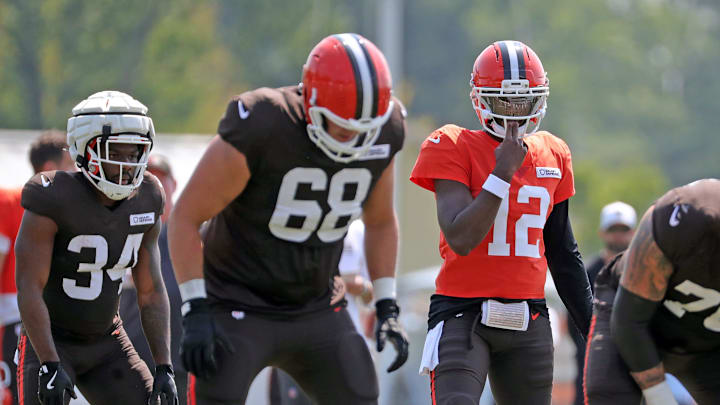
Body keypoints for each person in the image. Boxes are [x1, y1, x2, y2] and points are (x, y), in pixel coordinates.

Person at [168, 33, 409, 405]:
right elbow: (185, 216)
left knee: (360, 393)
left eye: (366, 129)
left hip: (315, 303)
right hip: (237, 300)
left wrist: (387, 305)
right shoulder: (264, 124)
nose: (355, 140)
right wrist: (196, 306)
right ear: (311, 104)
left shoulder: (386, 129)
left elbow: (379, 221)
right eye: (343, 126)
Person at [410, 40, 592, 405]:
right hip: (462, 313)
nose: (513, 112)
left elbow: (563, 254)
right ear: (481, 100)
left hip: (529, 317)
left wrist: (595, 331)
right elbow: (461, 237)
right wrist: (502, 172)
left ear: (539, 98)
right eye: (503, 101)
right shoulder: (452, 144)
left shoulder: (553, 153)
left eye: (522, 100)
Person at [14, 91, 177, 405]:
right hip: (51, 339)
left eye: (135, 154)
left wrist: (164, 365)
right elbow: (29, 287)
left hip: (107, 341)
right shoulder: (52, 196)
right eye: (117, 152)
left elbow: (151, 290)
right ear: (84, 149)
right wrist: (49, 362)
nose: (127, 164)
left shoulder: (147, 197)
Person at [584, 179, 720, 405]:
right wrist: (657, 392)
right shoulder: (686, 217)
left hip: (707, 344)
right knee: (609, 395)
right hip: (638, 319)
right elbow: (629, 321)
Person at [0, 131, 76, 405]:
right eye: (70, 166)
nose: (76, 175)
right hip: (14, 326)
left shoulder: (71, 212)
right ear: (50, 169)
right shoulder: (11, 203)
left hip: (54, 327)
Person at [269, 219, 374, 405]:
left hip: (346, 343)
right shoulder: (297, 225)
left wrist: (357, 286)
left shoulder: (357, 230)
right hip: (298, 345)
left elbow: (371, 293)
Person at [119, 154, 187, 404]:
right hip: (132, 364)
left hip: (179, 362)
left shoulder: (191, 236)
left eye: (161, 180)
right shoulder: (121, 234)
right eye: (148, 180)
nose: (155, 188)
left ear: (174, 185)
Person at [571, 201, 636, 405]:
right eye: (613, 230)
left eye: (623, 230)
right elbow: (574, 322)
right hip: (591, 364)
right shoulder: (587, 273)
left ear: (633, 232)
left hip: (634, 363)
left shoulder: (642, 273)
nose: (618, 235)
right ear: (602, 232)